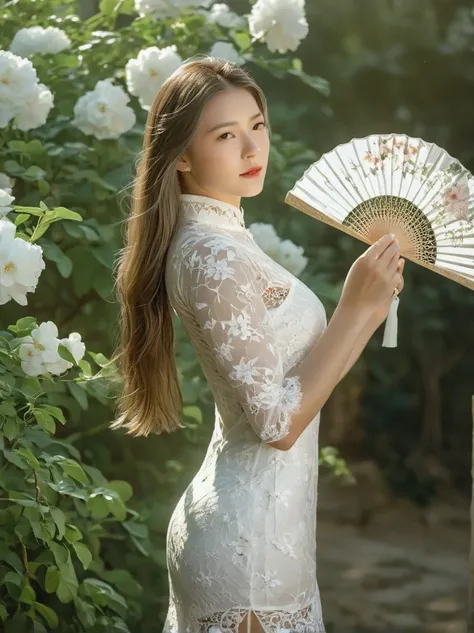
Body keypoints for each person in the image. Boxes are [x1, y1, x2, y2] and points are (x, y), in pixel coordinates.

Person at [111, 56, 405, 633]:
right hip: (249, 552)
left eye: (258, 126)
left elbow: (302, 380)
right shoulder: (211, 256)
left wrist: (370, 309)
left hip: (273, 539)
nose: (252, 149)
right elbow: (277, 424)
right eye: (226, 134)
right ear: (183, 156)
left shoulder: (227, 240)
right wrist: (351, 308)